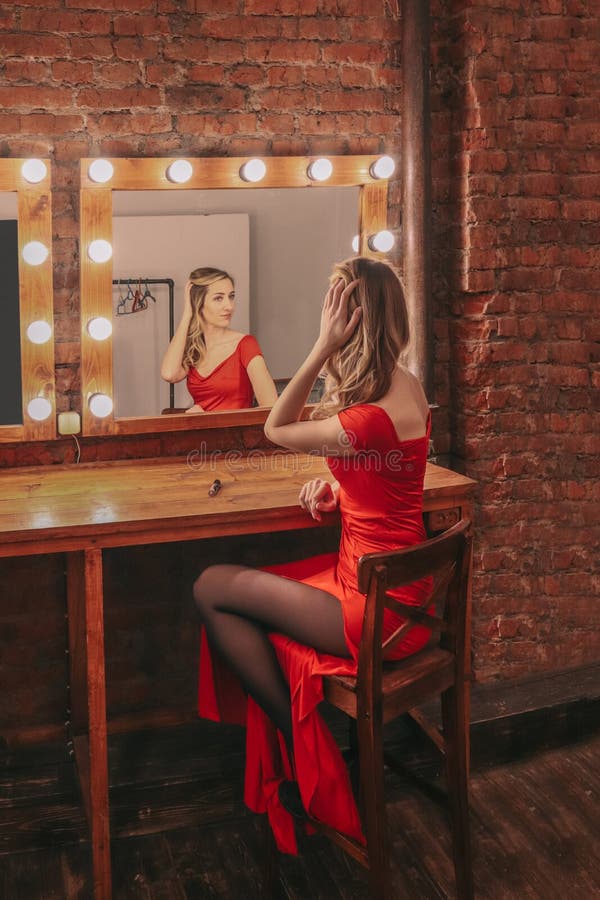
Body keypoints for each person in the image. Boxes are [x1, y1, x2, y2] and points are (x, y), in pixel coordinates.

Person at [194, 256, 433, 852]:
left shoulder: (367, 416)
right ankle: (303, 738)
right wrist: (338, 486)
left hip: (377, 611)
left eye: (333, 310)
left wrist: (320, 347)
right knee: (242, 596)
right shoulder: (405, 387)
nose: (323, 317)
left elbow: (277, 426)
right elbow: (391, 476)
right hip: (394, 584)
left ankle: (305, 745)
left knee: (212, 587)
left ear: (352, 322)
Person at [160, 266, 278, 412]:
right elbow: (169, 373)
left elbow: (271, 407)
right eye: (218, 298)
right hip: (200, 432)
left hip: (236, 433)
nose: (229, 306)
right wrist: (187, 314)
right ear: (198, 303)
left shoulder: (246, 345)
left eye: (231, 296)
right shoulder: (195, 348)